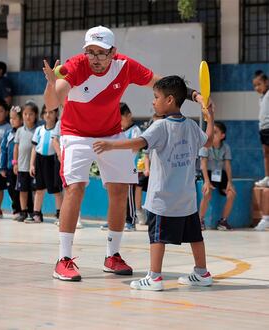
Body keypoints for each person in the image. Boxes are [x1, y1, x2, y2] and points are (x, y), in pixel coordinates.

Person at [42, 25, 209, 281]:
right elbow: (52, 104)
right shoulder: (75, 66)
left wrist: (194, 94)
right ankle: (64, 259)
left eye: (101, 52)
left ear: (113, 52)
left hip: (111, 133)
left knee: (120, 189)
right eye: (91, 52)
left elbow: (161, 83)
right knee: (75, 188)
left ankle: (113, 255)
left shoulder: (126, 66)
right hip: (76, 134)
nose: (95, 58)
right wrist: (51, 84)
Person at [93, 75, 215, 291]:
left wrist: (112, 145)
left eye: (156, 97)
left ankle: (155, 277)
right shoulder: (191, 125)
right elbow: (210, 139)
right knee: (195, 236)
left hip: (162, 199)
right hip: (187, 199)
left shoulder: (160, 127)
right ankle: (202, 273)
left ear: (169, 100)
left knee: (157, 237)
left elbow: (139, 143)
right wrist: (211, 117)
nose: (153, 101)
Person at [100, 102, 142, 231]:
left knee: (129, 195)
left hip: (129, 167)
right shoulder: (118, 132)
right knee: (114, 195)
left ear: (129, 115)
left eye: (121, 119)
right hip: (117, 167)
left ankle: (131, 221)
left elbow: (135, 147)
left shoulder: (135, 131)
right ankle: (112, 220)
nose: (119, 122)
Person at [198, 122, 236, 231]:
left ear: (222, 136)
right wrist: (206, 181)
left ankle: (223, 221)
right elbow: (203, 164)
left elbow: (227, 165)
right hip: (208, 173)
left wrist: (229, 182)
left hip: (219, 174)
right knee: (207, 193)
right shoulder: (205, 146)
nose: (212, 135)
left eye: (215, 133)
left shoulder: (226, 147)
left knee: (231, 194)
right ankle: (200, 220)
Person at [28, 105, 63, 224]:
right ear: (42, 114)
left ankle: (60, 214)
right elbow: (34, 148)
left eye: (51, 112)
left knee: (56, 190)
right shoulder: (39, 130)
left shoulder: (58, 129)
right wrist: (31, 165)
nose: (48, 115)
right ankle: (36, 214)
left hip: (52, 162)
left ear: (56, 114)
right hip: (39, 161)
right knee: (39, 189)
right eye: (46, 112)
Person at [0, 106, 33, 220]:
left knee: (24, 189)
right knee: (12, 190)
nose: (12, 121)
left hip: (23, 167)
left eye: (14, 118)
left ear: (21, 119)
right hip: (11, 167)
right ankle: (16, 209)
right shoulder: (8, 133)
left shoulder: (26, 132)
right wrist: (3, 166)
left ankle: (28, 210)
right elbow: (3, 150)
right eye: (10, 118)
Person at [13, 102, 38, 222]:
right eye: (25, 114)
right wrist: (15, 163)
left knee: (34, 190)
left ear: (36, 115)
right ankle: (23, 211)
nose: (28, 116)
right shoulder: (19, 131)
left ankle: (35, 211)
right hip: (22, 166)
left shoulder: (38, 130)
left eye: (31, 114)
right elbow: (16, 148)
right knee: (22, 191)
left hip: (33, 167)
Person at [254, 70, 269, 187]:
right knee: (266, 153)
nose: (256, 87)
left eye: (259, 84)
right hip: (263, 129)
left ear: (266, 82)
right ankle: (267, 177)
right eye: (255, 85)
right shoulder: (262, 98)